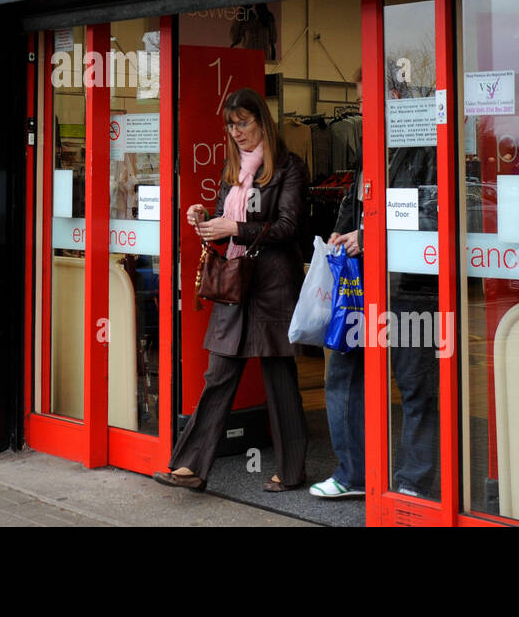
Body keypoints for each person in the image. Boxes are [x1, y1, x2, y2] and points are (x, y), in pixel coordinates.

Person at [154, 88, 309, 493]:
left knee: (280, 379)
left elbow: (291, 227)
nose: (236, 131)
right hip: (236, 285)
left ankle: (292, 471)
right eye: (230, 124)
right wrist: (206, 219)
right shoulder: (233, 170)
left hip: (274, 286)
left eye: (243, 122)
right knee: (218, 375)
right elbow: (226, 229)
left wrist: (235, 227)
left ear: (262, 121)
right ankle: (190, 466)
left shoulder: (289, 167)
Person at [310, 64, 440, 501]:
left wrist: (369, 237)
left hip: (410, 287)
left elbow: (434, 213)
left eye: (370, 100)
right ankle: (353, 473)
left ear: (398, 99)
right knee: (343, 376)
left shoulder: (428, 147)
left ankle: (413, 483)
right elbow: (355, 202)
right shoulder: (372, 149)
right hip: (361, 287)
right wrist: (340, 231)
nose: (363, 109)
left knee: (414, 384)